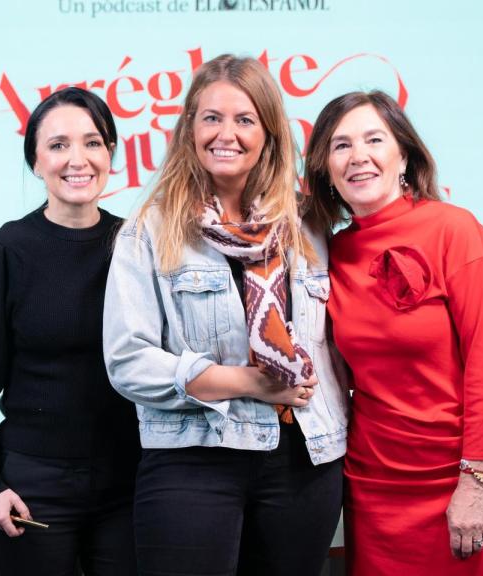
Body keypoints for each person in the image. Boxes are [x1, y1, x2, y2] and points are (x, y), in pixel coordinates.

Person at [102, 54, 348, 576]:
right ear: (189, 127)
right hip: (193, 458)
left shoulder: (308, 225)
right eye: (211, 117)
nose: (225, 133)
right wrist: (249, 383)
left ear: (269, 133)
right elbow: (127, 361)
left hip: (303, 459)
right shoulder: (150, 230)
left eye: (244, 119)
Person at [304, 90, 483, 575]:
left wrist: (474, 482)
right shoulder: (330, 251)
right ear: (325, 168)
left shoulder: (456, 231)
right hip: (374, 481)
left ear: (402, 154)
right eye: (340, 146)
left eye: (373, 139)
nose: (358, 156)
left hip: (460, 478)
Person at [0, 87, 140, 576]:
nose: (78, 159)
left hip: (129, 482)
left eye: (93, 143)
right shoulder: (4, 250)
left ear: (111, 153)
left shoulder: (137, 244)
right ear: (35, 161)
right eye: (58, 145)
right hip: (34, 487)